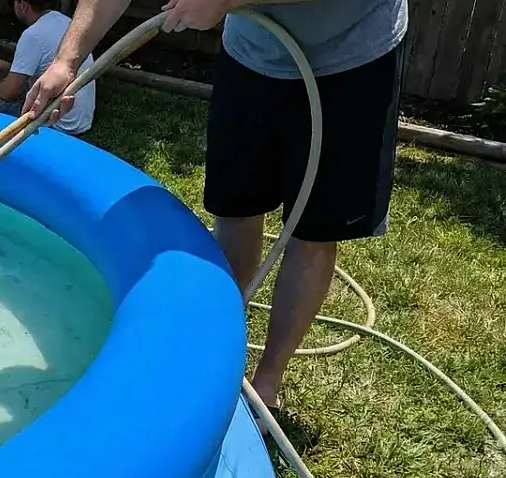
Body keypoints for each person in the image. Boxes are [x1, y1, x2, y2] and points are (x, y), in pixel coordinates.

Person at [23, 0, 408, 426]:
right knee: (236, 208)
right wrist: (67, 59)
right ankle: (217, 350)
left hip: (349, 56)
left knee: (313, 231)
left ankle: (266, 387)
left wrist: (225, 2)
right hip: (254, 54)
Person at [0, 0, 95, 135]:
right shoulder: (66, 22)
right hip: (81, 120)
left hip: (58, 124)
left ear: (24, 6)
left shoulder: (33, 35)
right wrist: (8, 68)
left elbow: (8, 93)